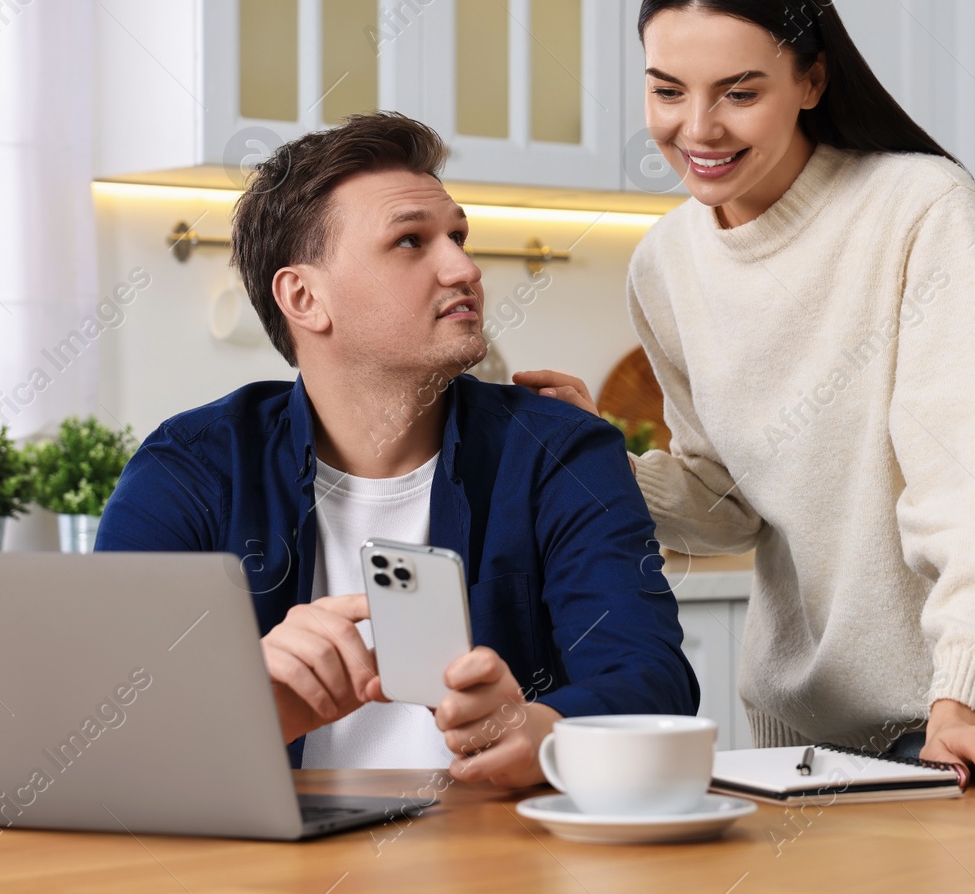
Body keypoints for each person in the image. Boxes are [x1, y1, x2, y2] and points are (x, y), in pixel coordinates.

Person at [516, 0, 975, 794]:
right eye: (667, 90)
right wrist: (596, 456)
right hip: (802, 743)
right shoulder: (665, 264)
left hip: (968, 729)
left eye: (739, 93)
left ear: (811, 80)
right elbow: (726, 504)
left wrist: (966, 692)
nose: (697, 127)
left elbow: (973, 474)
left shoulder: (917, 208)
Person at [96, 111, 698, 788]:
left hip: (500, 864)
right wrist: (241, 709)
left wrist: (544, 729)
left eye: (459, 236)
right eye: (411, 241)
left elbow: (653, 681)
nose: (464, 267)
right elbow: (97, 720)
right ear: (304, 296)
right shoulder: (191, 466)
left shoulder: (560, 451)